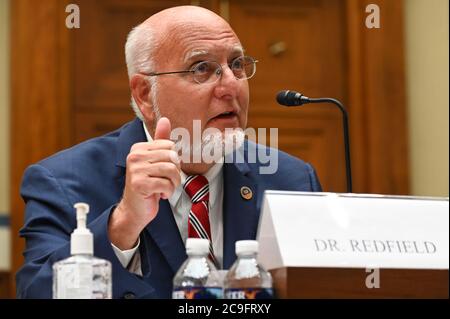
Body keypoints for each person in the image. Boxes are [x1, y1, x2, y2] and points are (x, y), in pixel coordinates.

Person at [16, 6, 321, 299]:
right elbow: (37, 292)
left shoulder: (291, 181)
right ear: (145, 94)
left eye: (237, 65)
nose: (231, 86)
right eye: (202, 68)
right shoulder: (63, 182)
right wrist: (123, 225)